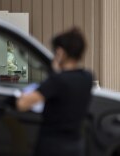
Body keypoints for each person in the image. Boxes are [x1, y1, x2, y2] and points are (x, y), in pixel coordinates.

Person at [16, 28, 93, 156]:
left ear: (60, 52)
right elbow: (67, 87)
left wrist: (23, 95)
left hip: (53, 146)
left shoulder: (56, 81)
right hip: (76, 145)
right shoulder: (87, 78)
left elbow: (22, 104)